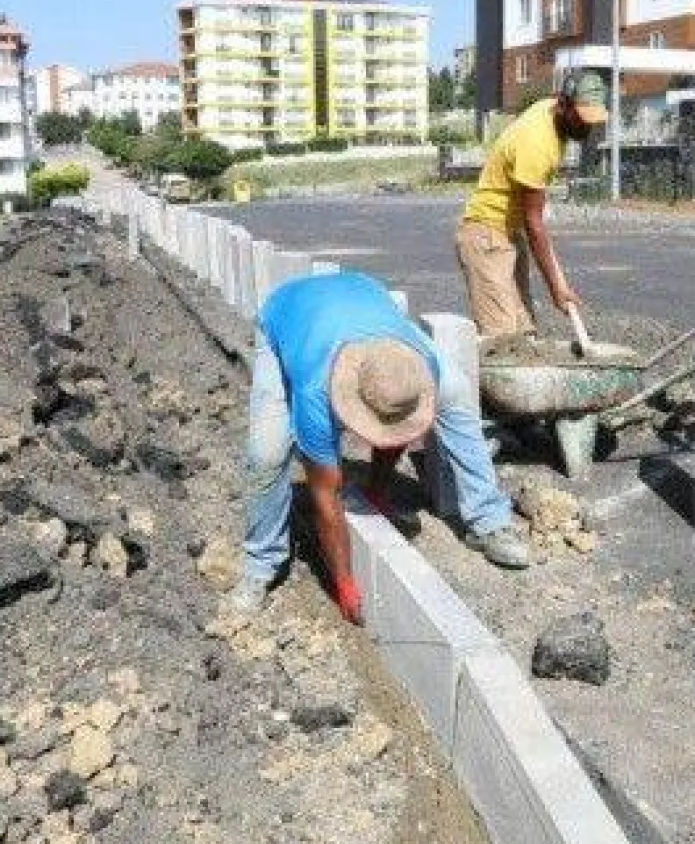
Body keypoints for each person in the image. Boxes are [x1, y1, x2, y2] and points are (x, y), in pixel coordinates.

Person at [230, 270, 530, 622]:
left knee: (458, 394)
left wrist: (376, 491)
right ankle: (261, 562)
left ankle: (488, 520)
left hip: (364, 296)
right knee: (266, 453)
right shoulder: (315, 396)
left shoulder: (419, 367)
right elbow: (325, 497)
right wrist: (343, 582)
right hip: (287, 315)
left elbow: (397, 422)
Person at [456, 72, 609, 338]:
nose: (587, 128)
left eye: (592, 121)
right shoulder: (537, 142)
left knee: (525, 332)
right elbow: (534, 223)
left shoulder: (549, 113)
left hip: (509, 234)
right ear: (563, 104)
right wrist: (556, 290)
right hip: (486, 236)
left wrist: (558, 283)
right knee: (501, 340)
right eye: (581, 119)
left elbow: (530, 224)